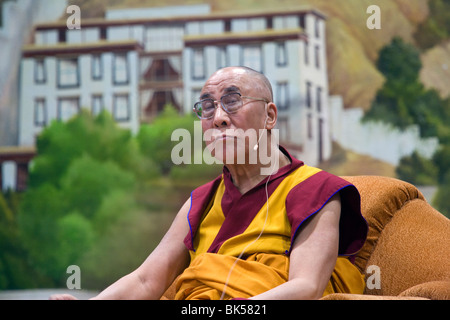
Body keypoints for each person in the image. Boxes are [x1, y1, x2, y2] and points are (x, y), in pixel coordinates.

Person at [50, 66, 367, 300]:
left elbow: (307, 288)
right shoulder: (201, 201)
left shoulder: (316, 191)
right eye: (207, 107)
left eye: (232, 101)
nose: (218, 118)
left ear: (270, 116)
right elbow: (146, 282)